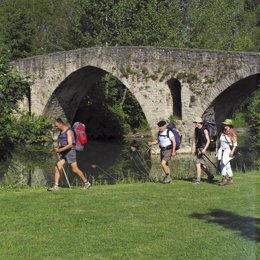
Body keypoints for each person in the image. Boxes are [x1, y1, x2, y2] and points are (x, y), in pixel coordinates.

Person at [48, 117, 91, 191]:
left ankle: (86, 182)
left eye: (57, 125)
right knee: (58, 166)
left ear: (61, 124)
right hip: (64, 152)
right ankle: (56, 186)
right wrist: (58, 148)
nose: (56, 127)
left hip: (70, 152)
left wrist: (59, 150)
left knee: (74, 169)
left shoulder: (69, 132)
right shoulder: (61, 130)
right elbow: (64, 143)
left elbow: (70, 144)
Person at [191, 117, 215, 184]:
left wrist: (204, 149)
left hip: (204, 148)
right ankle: (210, 175)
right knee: (200, 165)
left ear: (199, 123)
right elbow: (195, 139)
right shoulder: (196, 129)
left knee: (198, 164)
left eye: (196, 122)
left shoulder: (205, 130)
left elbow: (208, 141)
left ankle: (198, 180)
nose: (195, 124)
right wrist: (193, 148)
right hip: (199, 149)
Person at [217, 119, 237, 185]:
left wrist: (232, 151)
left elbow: (235, 144)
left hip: (228, 150)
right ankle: (230, 179)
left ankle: (224, 179)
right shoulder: (223, 132)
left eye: (226, 124)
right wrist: (217, 150)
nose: (224, 125)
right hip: (222, 149)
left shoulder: (232, 133)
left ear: (229, 125)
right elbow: (220, 142)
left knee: (222, 164)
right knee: (227, 165)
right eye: (224, 124)